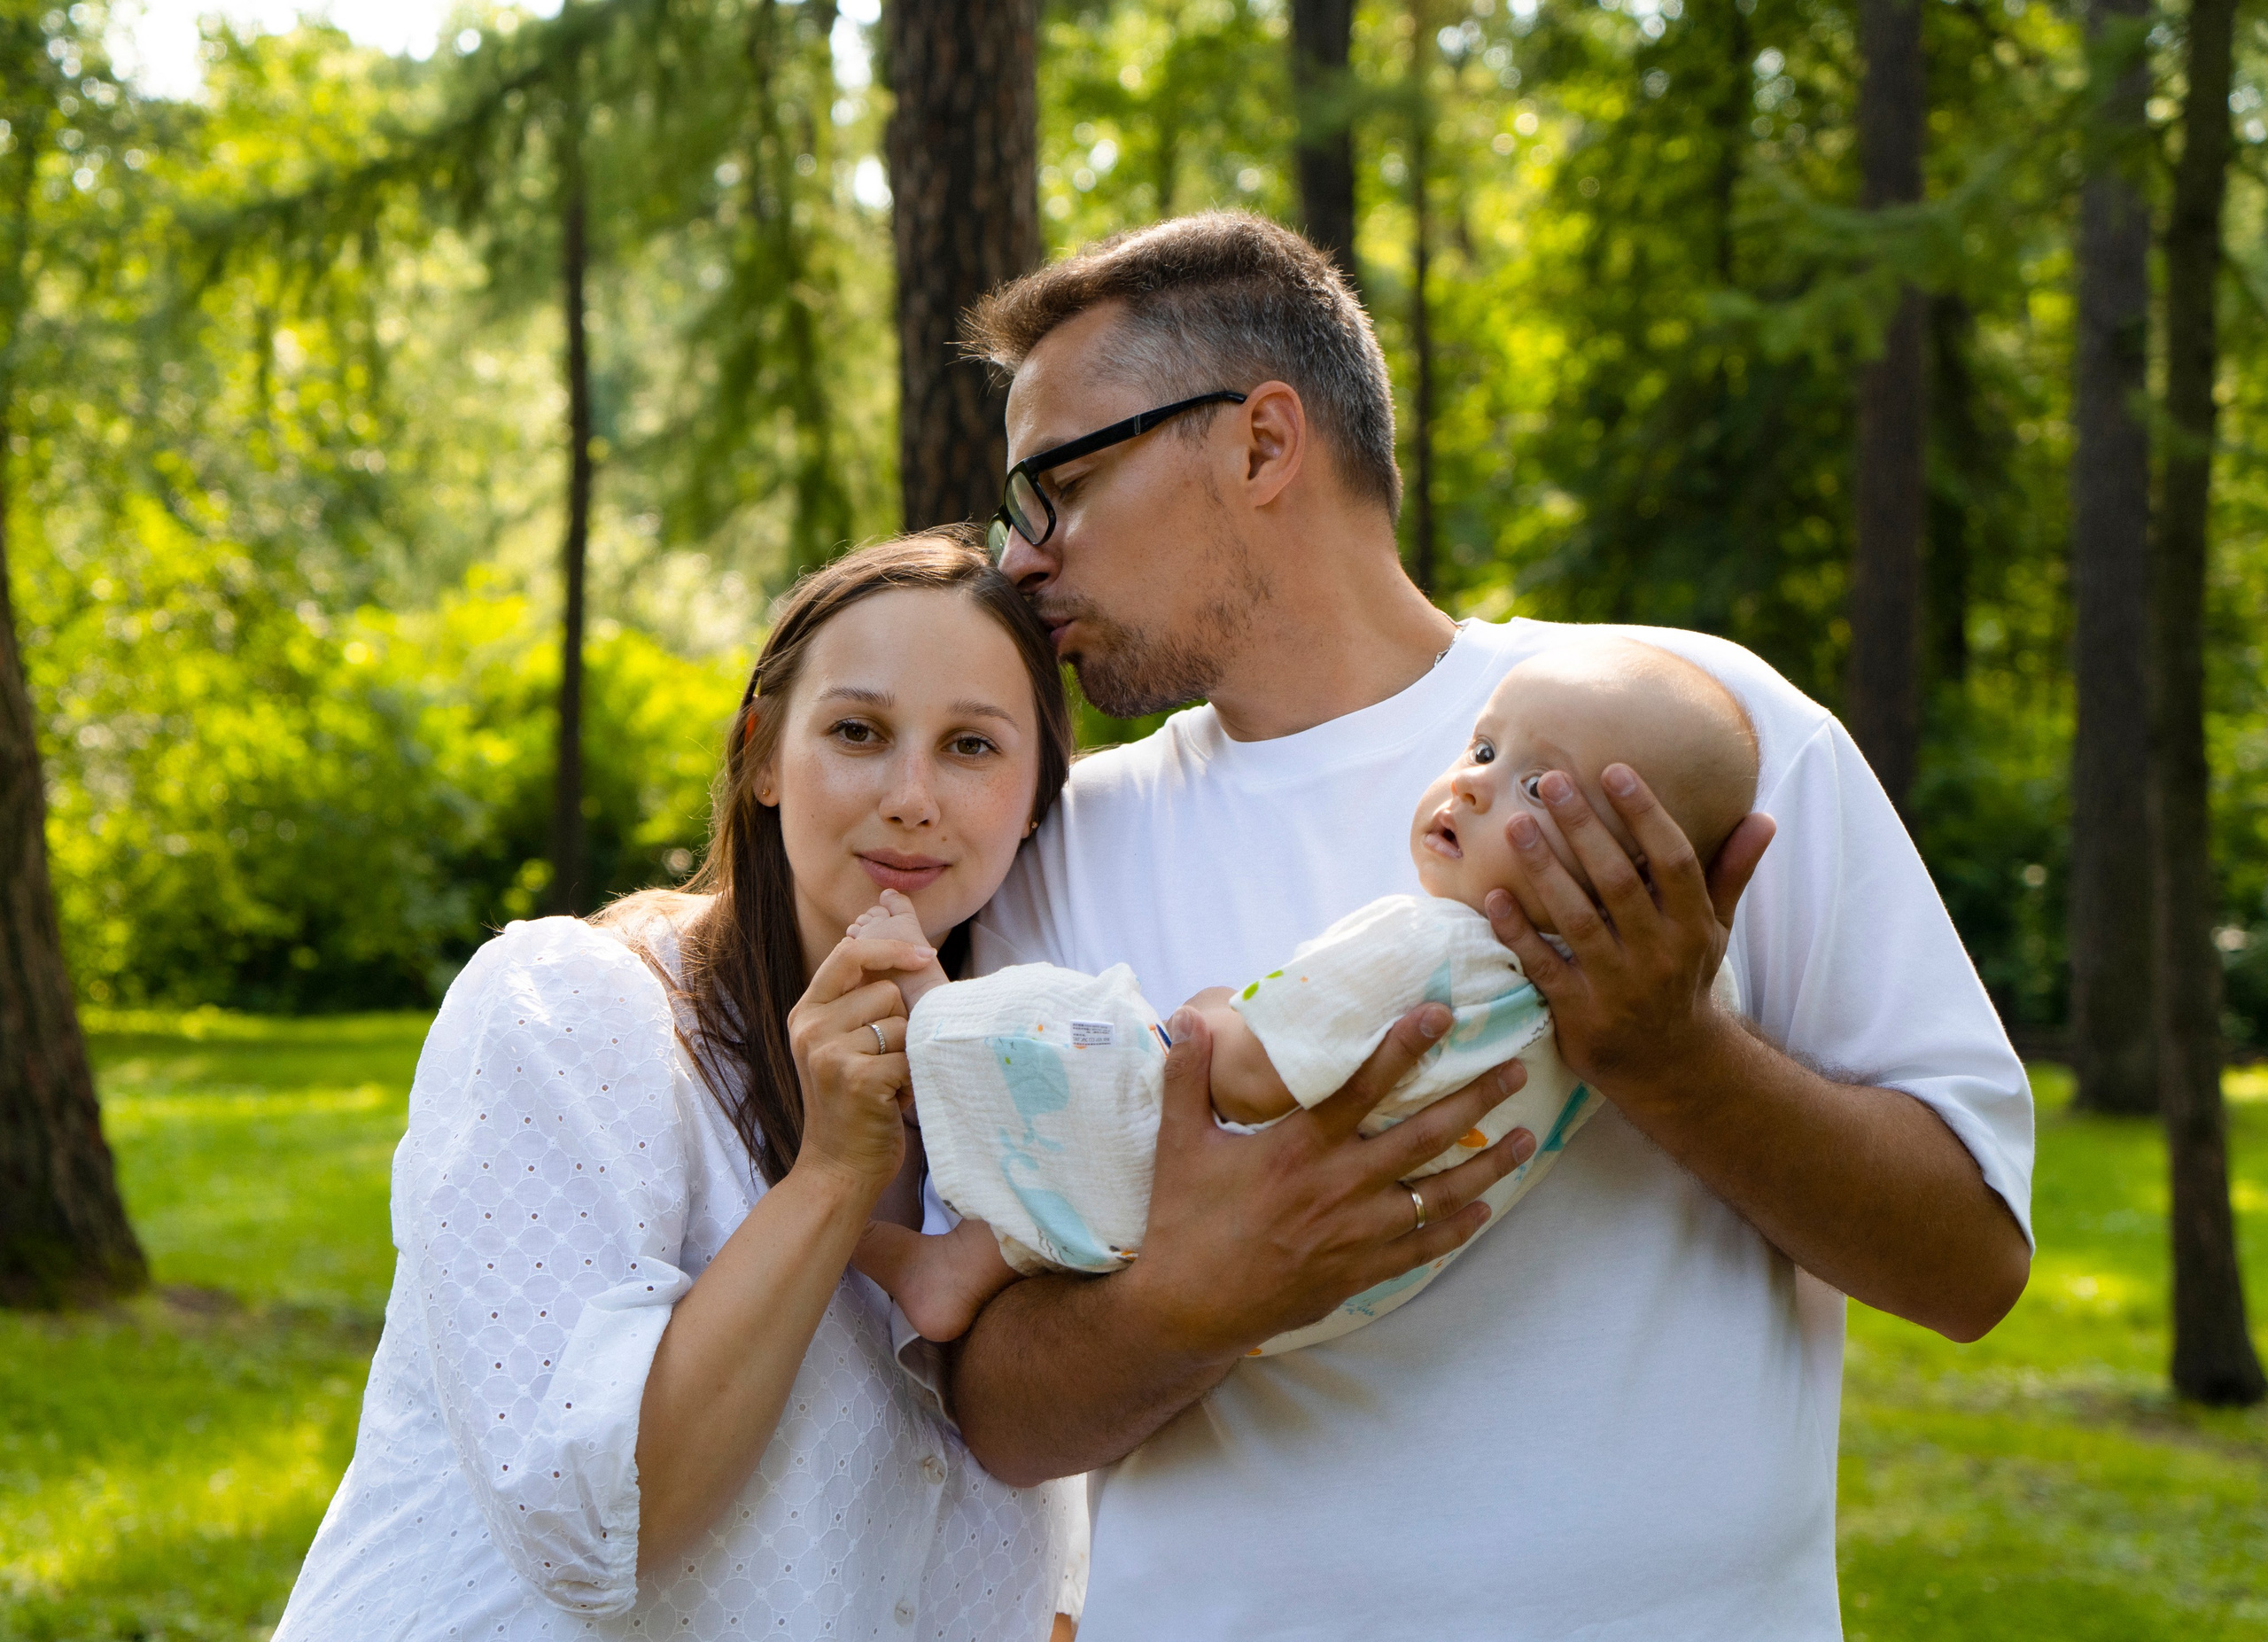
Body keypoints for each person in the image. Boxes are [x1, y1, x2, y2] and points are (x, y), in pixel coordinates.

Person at [936, 214, 2036, 1640]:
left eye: (1061, 487)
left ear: (1262, 444)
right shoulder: (1049, 845)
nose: (1020, 558)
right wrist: (1201, 1293)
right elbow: (998, 1417)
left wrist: (1674, 1057)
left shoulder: (1690, 737)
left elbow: (1971, 1266)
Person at [272, 533, 1083, 1642]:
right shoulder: (573, 1010)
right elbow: (601, 1528)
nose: (910, 796)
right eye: (857, 731)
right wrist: (832, 1173)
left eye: (971, 746)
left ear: (1034, 798)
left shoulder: (1027, 1110)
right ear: (762, 755)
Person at [852, 636, 1758, 1359]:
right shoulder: (1616, 1002)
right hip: (1336, 1300)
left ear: (1634, 866)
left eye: (1535, 785)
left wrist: (1209, 1013)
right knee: (1120, 1148)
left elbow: (1245, 1075)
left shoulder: (1428, 944)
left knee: (1099, 1027)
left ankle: (932, 1024)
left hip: (1219, 1224)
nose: (1472, 781)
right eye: (1482, 748)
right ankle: (964, 1265)